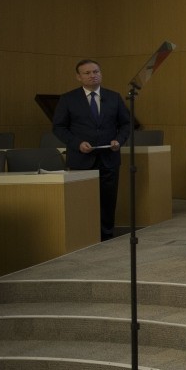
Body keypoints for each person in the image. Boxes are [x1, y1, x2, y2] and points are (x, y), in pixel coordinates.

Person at [53, 59, 131, 241]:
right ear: (78, 77)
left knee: (108, 199)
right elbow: (59, 127)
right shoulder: (68, 99)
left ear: (101, 74)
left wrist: (118, 141)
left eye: (95, 71)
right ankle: (84, 234)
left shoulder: (113, 97)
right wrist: (77, 143)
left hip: (109, 157)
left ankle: (106, 235)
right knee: (83, 200)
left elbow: (126, 124)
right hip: (81, 158)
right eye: (87, 73)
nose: (92, 75)